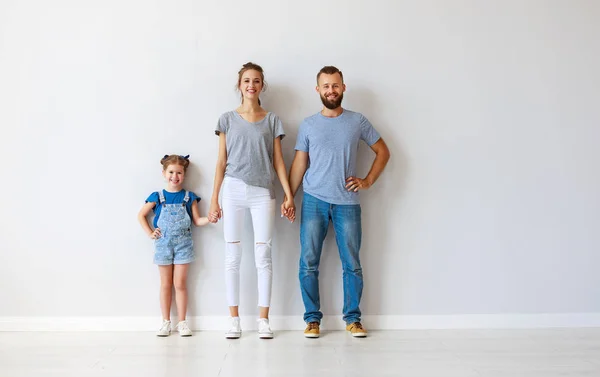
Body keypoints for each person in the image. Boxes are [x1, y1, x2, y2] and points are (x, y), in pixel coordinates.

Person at [288, 66, 390, 338]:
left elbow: (383, 151)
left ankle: (353, 319)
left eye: (335, 85)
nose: (330, 90)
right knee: (308, 262)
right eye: (325, 86)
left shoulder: (357, 121)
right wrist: (289, 196)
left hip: (347, 203)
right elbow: (300, 163)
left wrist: (367, 181)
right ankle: (312, 320)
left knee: (352, 264)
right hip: (313, 200)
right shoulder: (309, 124)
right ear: (317, 89)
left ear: (343, 88)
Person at [209, 62, 295, 339]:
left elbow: (278, 161)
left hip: (262, 193)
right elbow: (221, 162)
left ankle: (263, 320)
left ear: (261, 85)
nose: (251, 85)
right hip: (233, 190)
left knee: (263, 255)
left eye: (256, 81)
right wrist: (214, 200)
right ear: (240, 84)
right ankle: (234, 319)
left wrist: (288, 195)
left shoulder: (272, 120)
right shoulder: (226, 119)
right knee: (232, 257)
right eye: (246, 80)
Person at [137, 154, 210, 337]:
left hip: (183, 246)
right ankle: (165, 322)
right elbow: (141, 215)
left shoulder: (189, 197)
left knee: (180, 284)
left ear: (184, 174)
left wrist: (210, 218)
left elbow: (197, 220)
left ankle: (182, 322)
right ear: (164, 173)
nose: (174, 176)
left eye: (179, 172)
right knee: (165, 284)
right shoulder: (158, 197)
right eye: (171, 172)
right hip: (163, 245)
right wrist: (150, 232)